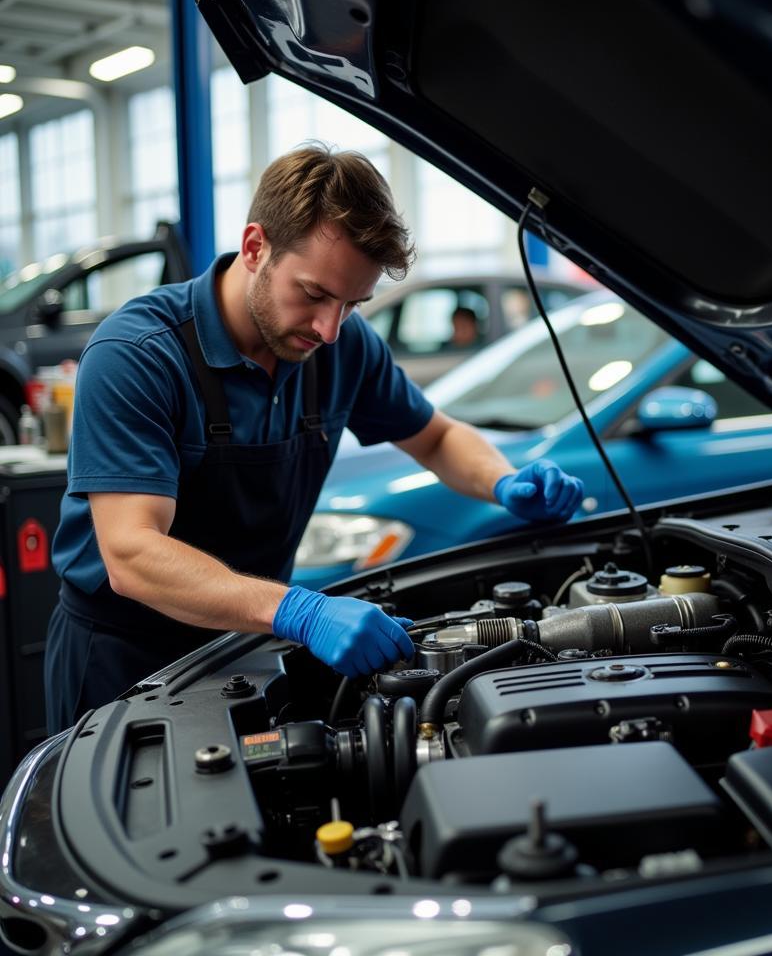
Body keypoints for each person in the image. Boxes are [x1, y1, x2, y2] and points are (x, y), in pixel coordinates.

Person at [44, 145, 584, 733]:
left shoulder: (344, 347)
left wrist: (501, 481)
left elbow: (435, 437)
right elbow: (131, 555)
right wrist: (297, 609)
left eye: (354, 303)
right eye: (316, 294)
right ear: (256, 248)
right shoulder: (138, 356)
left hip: (243, 644)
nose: (330, 328)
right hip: (123, 658)